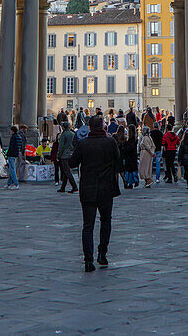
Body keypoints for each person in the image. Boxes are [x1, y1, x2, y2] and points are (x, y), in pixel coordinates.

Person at [70, 114, 121, 271]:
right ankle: (102, 254)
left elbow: (72, 163)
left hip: (88, 190)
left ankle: (88, 261)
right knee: (106, 221)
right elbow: (118, 162)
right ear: (103, 126)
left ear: (89, 127)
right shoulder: (110, 142)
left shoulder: (83, 144)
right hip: (106, 189)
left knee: (88, 226)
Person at [57, 121, 78, 193]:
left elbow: (61, 146)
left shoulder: (64, 134)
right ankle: (63, 187)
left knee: (67, 171)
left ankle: (74, 186)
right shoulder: (73, 134)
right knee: (66, 171)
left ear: (63, 127)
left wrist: (58, 155)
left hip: (65, 155)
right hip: (71, 154)